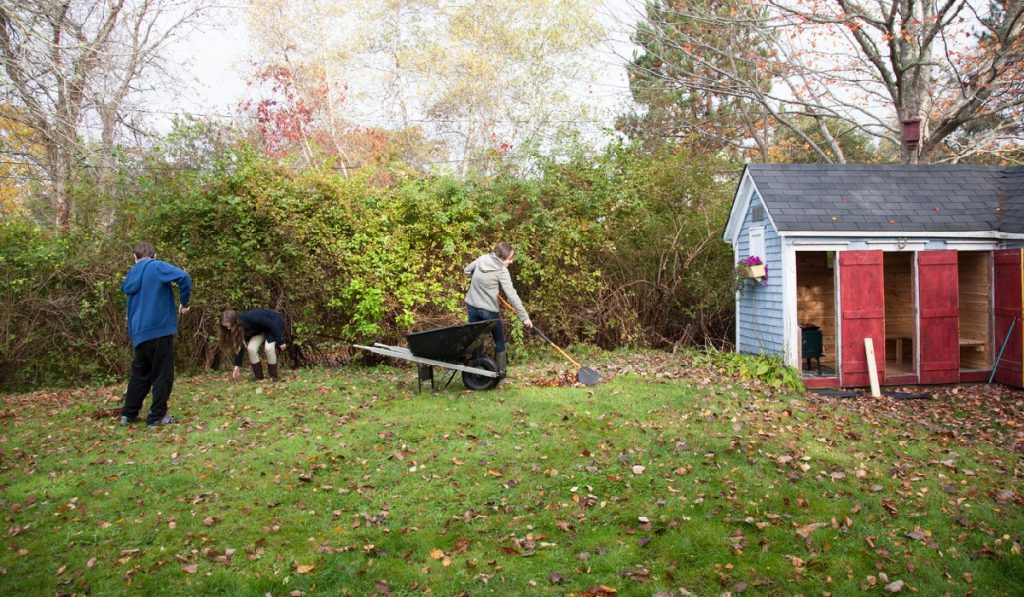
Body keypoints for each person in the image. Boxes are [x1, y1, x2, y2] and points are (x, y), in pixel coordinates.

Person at [120, 242, 192, 429]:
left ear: (134, 257)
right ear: (154, 254)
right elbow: (184, 277)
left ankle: (128, 414)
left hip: (139, 333)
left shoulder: (131, 274)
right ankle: (157, 416)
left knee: (140, 374)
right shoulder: (156, 266)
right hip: (159, 328)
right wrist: (183, 303)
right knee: (163, 374)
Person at [464, 241, 532, 379]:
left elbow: (466, 271)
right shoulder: (501, 270)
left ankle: (477, 375)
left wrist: (480, 281)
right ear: (502, 258)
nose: (511, 262)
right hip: (488, 311)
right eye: (510, 258)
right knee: (499, 341)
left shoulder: (482, 259)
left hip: (472, 307)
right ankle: (501, 376)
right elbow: (511, 295)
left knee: (477, 340)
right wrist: (524, 317)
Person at [217, 308, 289, 381]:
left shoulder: (251, 317)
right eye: (226, 327)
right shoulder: (236, 328)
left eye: (229, 326)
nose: (228, 328)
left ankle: (273, 377)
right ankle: (258, 377)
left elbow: (271, 325)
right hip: (261, 329)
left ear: (234, 321)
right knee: (251, 348)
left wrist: (280, 341)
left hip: (274, 323)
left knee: (269, 348)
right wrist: (237, 365)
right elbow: (239, 345)